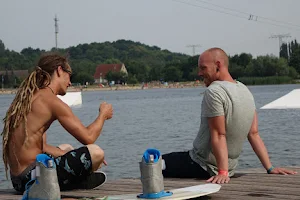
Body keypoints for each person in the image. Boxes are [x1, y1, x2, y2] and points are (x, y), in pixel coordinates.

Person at [162, 47, 297, 184]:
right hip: (230, 168)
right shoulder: (245, 91)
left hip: (201, 165)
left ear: (218, 65)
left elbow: (219, 134)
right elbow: (254, 134)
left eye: (203, 68)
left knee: (152, 161)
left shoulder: (214, 91)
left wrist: (222, 172)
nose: (199, 73)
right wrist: (270, 167)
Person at [1, 53, 113, 192]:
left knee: (66, 148)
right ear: (59, 71)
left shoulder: (28, 97)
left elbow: (41, 147)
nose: (70, 82)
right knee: (96, 153)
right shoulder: (51, 101)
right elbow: (88, 137)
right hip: (33, 179)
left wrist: (73, 155)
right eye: (69, 75)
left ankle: (71, 178)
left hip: (18, 180)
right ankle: (73, 182)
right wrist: (103, 115)